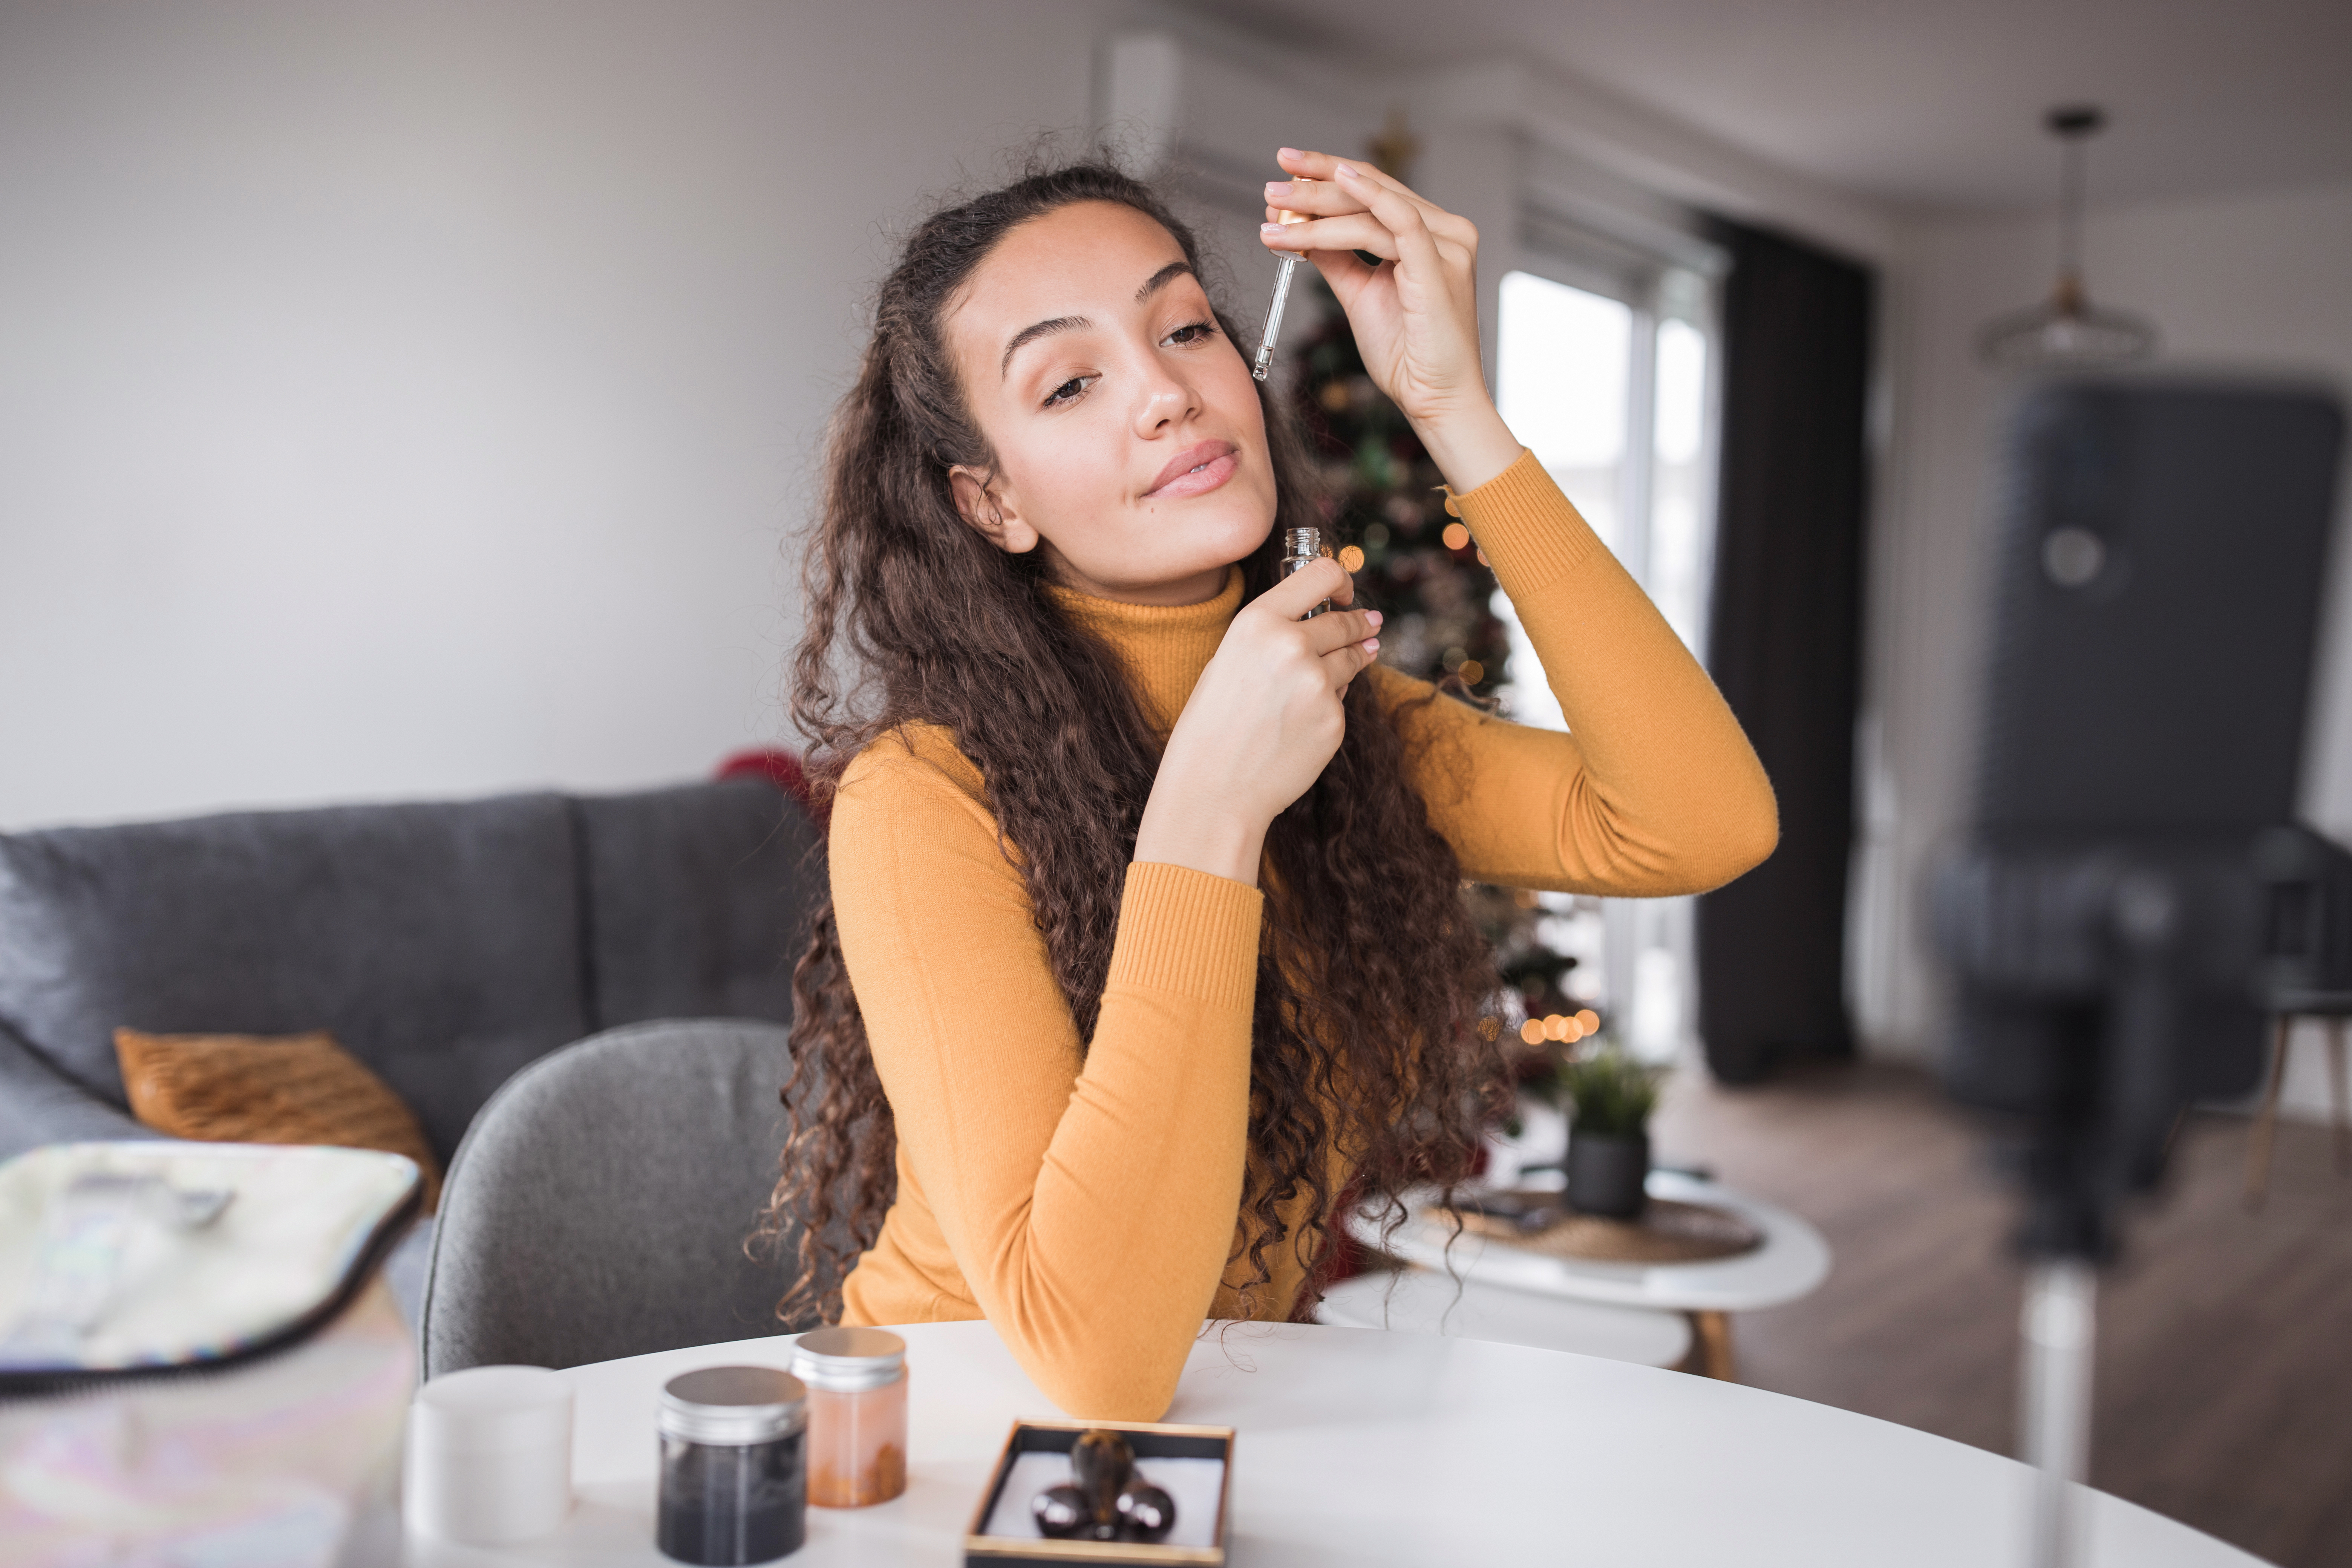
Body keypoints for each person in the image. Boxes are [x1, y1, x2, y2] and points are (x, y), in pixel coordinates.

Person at [767, 147, 1776, 1420]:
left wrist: (1456, 410)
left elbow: (1702, 825)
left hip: (1213, 1428)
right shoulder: (922, 797)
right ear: (991, 502)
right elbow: (1097, 1360)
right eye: (1071, 382)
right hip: (944, 1439)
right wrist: (1215, 810)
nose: (1166, 394)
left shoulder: (1336, 712)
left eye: (1185, 328)